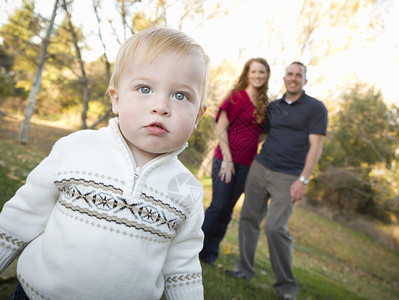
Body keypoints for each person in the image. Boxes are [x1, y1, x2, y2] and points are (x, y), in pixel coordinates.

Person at [0, 27, 209, 300]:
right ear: (116, 99)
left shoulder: (187, 190)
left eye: (180, 95)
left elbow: (182, 268)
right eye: (144, 89)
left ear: (198, 116)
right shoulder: (76, 149)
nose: (161, 106)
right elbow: (20, 217)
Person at [227, 62, 328, 300]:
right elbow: (261, 135)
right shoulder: (273, 107)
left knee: (274, 227)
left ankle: (286, 288)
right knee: (248, 219)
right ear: (284, 78)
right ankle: (244, 269)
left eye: (298, 75)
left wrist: (303, 179)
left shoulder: (315, 108)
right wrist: (235, 141)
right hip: (261, 168)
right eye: (290, 74)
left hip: (289, 176)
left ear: (305, 80)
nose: (293, 78)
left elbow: (316, 146)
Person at [199, 58, 271, 266]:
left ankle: (210, 253)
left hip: (247, 164)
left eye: (262, 72)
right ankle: (190, 247)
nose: (257, 76)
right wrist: (228, 160)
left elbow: (264, 132)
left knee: (228, 210)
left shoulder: (265, 103)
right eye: (254, 71)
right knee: (218, 206)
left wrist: (252, 143)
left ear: (267, 76)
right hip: (225, 159)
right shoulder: (235, 97)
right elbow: (221, 127)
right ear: (247, 74)